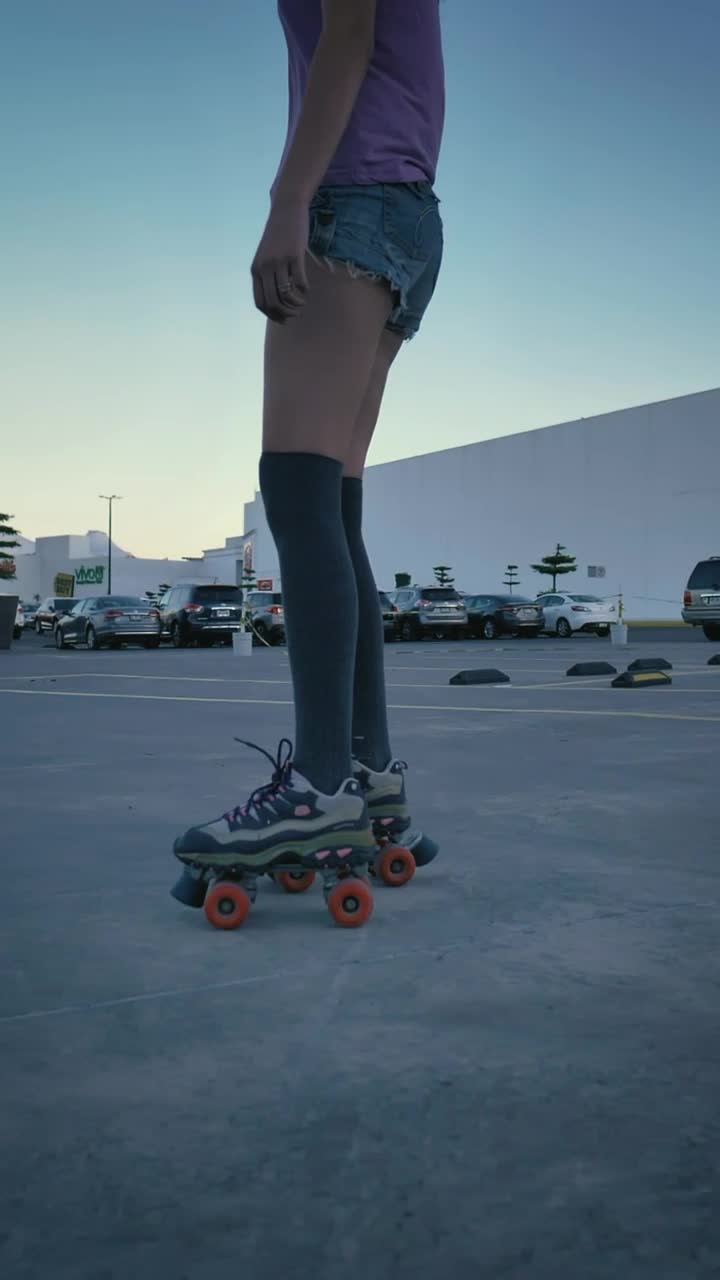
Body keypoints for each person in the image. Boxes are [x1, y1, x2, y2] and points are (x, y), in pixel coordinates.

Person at [174, 0, 445, 879]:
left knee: (296, 490)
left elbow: (351, 34)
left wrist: (289, 201)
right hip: (407, 214)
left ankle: (320, 790)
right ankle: (369, 781)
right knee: (334, 503)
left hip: (351, 201)